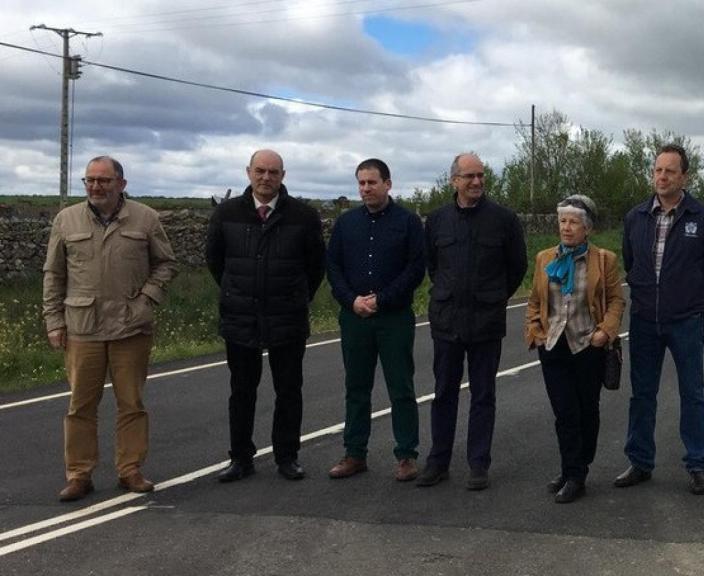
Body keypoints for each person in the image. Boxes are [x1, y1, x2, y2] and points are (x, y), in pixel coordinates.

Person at [42, 155, 178, 502]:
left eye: (104, 180)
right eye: (90, 180)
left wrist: (147, 299)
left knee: (131, 403)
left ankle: (130, 470)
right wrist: (54, 321)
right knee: (80, 406)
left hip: (131, 328)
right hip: (82, 328)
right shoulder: (66, 220)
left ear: (122, 184)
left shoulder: (145, 218)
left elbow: (165, 263)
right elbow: (54, 274)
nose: (96, 186)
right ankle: (79, 474)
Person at [615, 143, 704, 495]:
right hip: (644, 321)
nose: (661, 176)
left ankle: (698, 463)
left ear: (685, 176)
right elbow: (630, 260)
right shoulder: (636, 217)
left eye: (669, 171)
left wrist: (695, 300)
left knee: (692, 393)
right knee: (642, 395)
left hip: (686, 321)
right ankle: (640, 461)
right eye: (657, 170)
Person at [206, 149, 326, 483]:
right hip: (240, 317)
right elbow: (216, 261)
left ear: (283, 176)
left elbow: (316, 266)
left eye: (273, 172)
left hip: (287, 316)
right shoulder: (227, 213)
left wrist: (297, 296)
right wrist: (236, 294)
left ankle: (287, 456)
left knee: (289, 389)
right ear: (248, 172)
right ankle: (240, 458)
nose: (266, 178)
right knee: (241, 390)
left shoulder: (302, 216)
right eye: (260, 171)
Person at [417, 152, 527, 490]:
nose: (477, 182)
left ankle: (478, 463)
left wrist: (493, 296)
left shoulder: (504, 219)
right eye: (469, 176)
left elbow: (517, 267)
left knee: (483, 395)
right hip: (447, 320)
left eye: (481, 175)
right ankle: (438, 461)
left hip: (486, 322)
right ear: (454, 181)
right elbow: (433, 266)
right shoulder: (437, 220)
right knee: (444, 393)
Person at [325, 159, 425, 482]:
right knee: (356, 387)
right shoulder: (346, 224)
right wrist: (352, 300)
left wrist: (382, 299)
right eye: (361, 183)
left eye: (372, 182)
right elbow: (334, 268)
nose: (366, 189)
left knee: (401, 387)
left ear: (388, 184)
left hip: (393, 317)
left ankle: (407, 454)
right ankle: (355, 453)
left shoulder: (407, 222)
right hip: (354, 317)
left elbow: (415, 269)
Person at [525, 195, 625, 503]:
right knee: (564, 412)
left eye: (573, 222)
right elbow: (534, 301)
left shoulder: (604, 260)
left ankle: (577, 465)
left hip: (587, 346)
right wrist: (536, 332)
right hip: (554, 345)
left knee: (587, 410)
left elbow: (616, 300)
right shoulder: (545, 258)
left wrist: (605, 332)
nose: (566, 228)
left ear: (587, 228)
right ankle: (573, 472)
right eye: (562, 222)